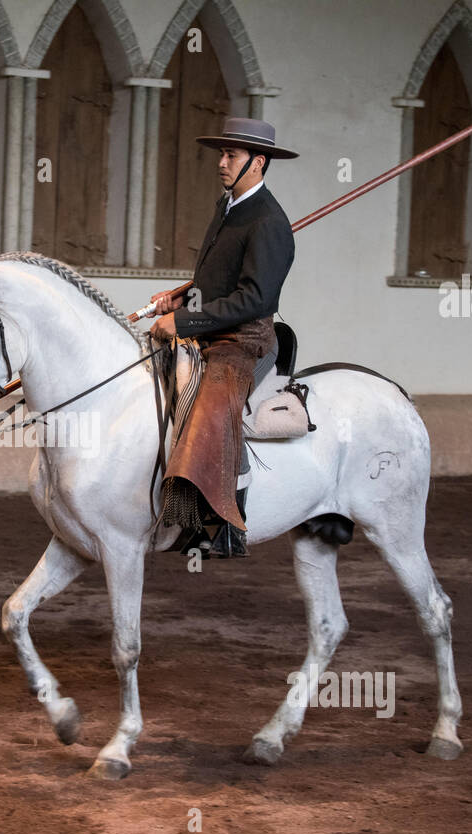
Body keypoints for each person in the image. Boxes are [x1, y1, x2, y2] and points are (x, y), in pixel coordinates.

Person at [146, 117, 298, 558]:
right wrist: (183, 301)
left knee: (213, 402)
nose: (222, 162)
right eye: (222, 153)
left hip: (245, 339)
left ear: (259, 162)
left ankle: (225, 522)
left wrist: (187, 323)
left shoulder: (269, 222)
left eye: (231, 155)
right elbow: (216, 283)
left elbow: (253, 299)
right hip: (211, 325)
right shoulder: (227, 206)